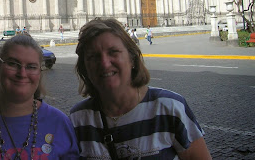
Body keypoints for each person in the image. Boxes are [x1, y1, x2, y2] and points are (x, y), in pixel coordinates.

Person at [70, 18, 211, 160]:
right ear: (85, 67)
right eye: (93, 57)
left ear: (132, 58)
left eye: (113, 52)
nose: (105, 64)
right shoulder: (77, 121)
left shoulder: (170, 109)